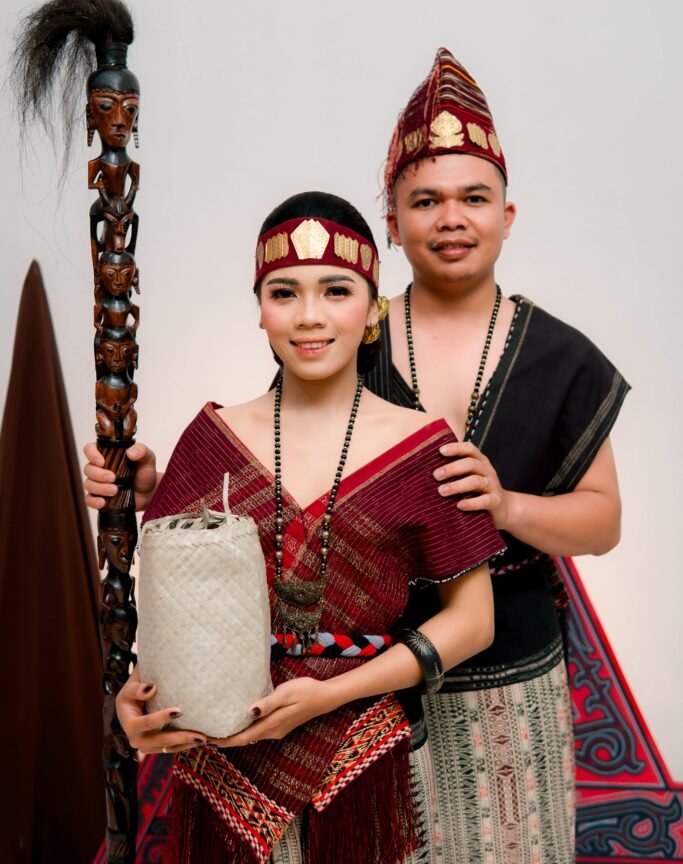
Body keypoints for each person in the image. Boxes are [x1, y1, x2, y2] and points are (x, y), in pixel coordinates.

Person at [86, 191, 505, 864]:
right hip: (225, 760)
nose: (309, 315)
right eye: (284, 293)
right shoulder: (211, 440)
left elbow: (473, 622)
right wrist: (139, 705)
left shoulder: (426, 448)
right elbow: (171, 616)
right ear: (259, 309)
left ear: (373, 310)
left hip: (365, 767)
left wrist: (327, 695)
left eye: (336, 290)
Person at [363, 47, 630, 863]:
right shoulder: (348, 338)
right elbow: (272, 465)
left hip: (510, 668)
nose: (451, 218)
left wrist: (507, 505)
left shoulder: (558, 354)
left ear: (506, 216)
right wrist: (159, 484)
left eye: (473, 198)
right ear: (391, 222)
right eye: (426, 201)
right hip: (365, 667)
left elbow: (602, 522)